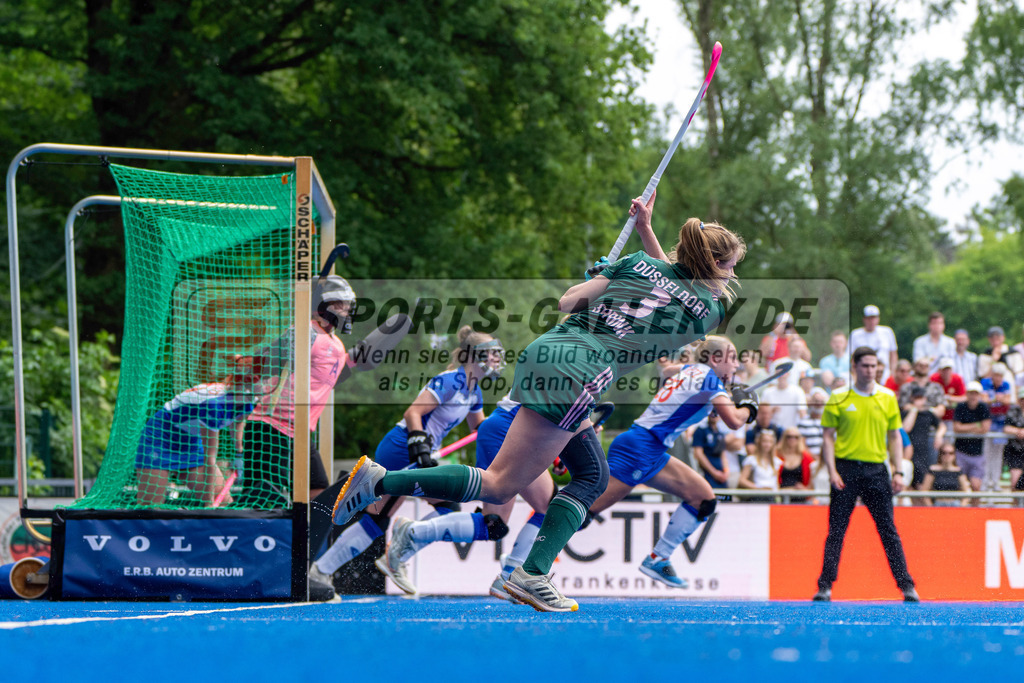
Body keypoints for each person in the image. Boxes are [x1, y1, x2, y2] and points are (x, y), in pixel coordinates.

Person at [331, 191, 748, 612]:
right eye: (730, 267)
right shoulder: (710, 312)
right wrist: (645, 237)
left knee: (590, 472)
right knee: (505, 483)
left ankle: (526, 570)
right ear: (713, 266)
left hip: (547, 352)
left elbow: (570, 302)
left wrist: (625, 252)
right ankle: (389, 487)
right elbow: (676, 288)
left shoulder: (636, 266)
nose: (731, 277)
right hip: (581, 373)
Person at [310, 326, 503, 594]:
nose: (496, 359)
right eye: (491, 353)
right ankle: (347, 566)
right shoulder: (449, 381)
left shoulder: (474, 391)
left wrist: (511, 427)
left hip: (418, 449)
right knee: (437, 508)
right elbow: (413, 412)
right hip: (404, 446)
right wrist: (420, 447)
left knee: (381, 517)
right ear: (474, 355)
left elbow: (480, 430)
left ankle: (325, 570)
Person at [579, 336, 756, 587]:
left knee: (703, 500)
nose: (736, 366)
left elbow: (668, 370)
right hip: (640, 450)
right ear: (715, 359)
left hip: (650, 449)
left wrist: (714, 399)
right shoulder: (709, 379)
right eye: (733, 358)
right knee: (583, 513)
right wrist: (749, 405)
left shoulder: (693, 369)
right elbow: (736, 421)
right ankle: (520, 562)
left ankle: (658, 558)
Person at [813, 346, 918, 603]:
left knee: (888, 530)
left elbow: (895, 436)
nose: (870, 370)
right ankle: (825, 586)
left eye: (873, 366)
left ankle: (907, 586)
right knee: (836, 530)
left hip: (876, 469)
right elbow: (827, 437)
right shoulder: (838, 396)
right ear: (854, 367)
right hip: (846, 468)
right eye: (865, 366)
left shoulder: (887, 396)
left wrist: (899, 471)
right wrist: (832, 470)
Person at [241, 275, 356, 506]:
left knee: (318, 489)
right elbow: (264, 362)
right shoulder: (305, 331)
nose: (345, 311)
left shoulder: (336, 344)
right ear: (322, 304)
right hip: (272, 426)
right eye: (339, 305)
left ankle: (305, 539)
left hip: (300, 431)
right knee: (265, 495)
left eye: (348, 306)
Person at [135, 355, 260, 506]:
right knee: (150, 508)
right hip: (160, 438)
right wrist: (208, 503)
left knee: (223, 503)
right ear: (248, 381)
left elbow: (239, 420)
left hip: (190, 443)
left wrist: (238, 453)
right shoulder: (214, 405)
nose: (267, 384)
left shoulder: (251, 399)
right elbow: (210, 459)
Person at [900, 385, 945, 500]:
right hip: (907, 454)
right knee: (906, 487)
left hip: (922, 455)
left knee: (921, 487)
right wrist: (914, 409)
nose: (919, 400)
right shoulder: (906, 413)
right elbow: (906, 428)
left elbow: (942, 426)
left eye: (921, 397)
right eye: (916, 397)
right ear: (912, 398)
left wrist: (939, 436)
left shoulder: (928, 414)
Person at [952, 381, 991, 500]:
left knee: (976, 486)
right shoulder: (961, 407)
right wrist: (976, 426)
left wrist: (966, 427)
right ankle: (961, 513)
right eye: (971, 393)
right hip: (961, 452)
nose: (973, 396)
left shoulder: (983, 407)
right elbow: (956, 428)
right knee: (961, 486)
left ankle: (976, 513)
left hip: (977, 454)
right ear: (967, 394)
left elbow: (985, 428)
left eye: (976, 393)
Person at [849, 305, 898, 382]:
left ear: (878, 319)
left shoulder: (887, 332)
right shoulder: (855, 334)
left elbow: (893, 354)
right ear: (864, 319)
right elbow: (852, 357)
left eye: (874, 318)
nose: (872, 321)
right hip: (863, 373)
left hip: (885, 374)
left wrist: (893, 373)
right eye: (869, 318)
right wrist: (855, 375)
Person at [692, 411, 730, 490]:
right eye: (713, 411)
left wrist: (726, 471)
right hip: (707, 473)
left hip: (721, 474)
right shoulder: (701, 430)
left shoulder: (720, 432)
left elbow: (723, 455)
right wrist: (714, 473)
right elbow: (698, 454)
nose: (715, 414)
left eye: (717, 412)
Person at [738, 429, 780, 501]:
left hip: (772, 496)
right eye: (765, 441)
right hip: (756, 496)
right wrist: (759, 488)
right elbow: (742, 480)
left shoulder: (776, 461)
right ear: (759, 442)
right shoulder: (751, 460)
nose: (767, 444)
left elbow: (776, 482)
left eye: (770, 442)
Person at [776, 428, 815, 500]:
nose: (792, 439)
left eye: (796, 437)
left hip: (800, 495)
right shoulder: (777, 455)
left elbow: (813, 477)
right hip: (780, 494)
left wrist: (805, 489)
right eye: (789, 436)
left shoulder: (806, 458)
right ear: (784, 438)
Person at [929, 357, 966, 422]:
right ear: (939, 371)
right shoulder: (933, 379)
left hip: (953, 415)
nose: (946, 372)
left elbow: (964, 398)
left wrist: (948, 398)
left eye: (948, 369)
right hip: (937, 416)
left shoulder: (958, 379)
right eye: (944, 369)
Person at [1002, 387, 1024, 498]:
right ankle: (1017, 510)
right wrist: (1019, 431)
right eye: (1022, 399)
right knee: (1015, 484)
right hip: (1016, 451)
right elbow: (1006, 428)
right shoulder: (1013, 411)